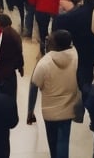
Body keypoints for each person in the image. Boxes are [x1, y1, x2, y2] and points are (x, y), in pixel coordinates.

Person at [30, 30, 80, 158]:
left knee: (52, 142)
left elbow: (34, 86)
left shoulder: (44, 63)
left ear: (55, 45)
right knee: (63, 141)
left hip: (49, 111)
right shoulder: (75, 56)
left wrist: (30, 111)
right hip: (69, 107)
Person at [53, 0, 94, 89]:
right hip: (89, 53)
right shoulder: (92, 11)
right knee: (85, 79)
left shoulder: (61, 19)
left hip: (70, 55)